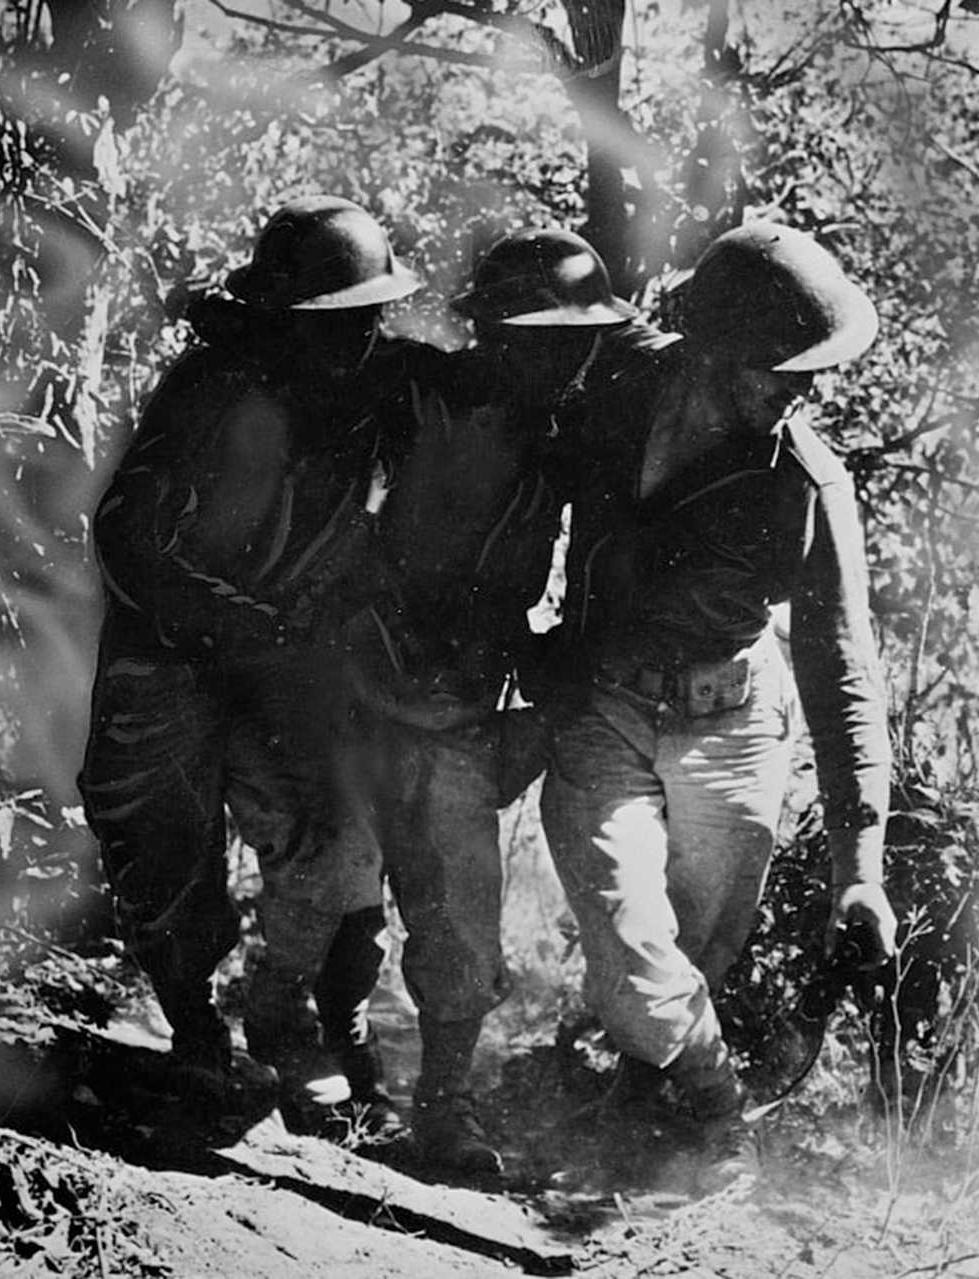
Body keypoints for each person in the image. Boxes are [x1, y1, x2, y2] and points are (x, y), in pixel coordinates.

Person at [538, 221, 899, 1192]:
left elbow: (842, 668)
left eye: (814, 370)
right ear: (709, 347)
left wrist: (856, 869)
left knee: (697, 947)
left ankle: (633, 1117)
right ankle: (716, 1106)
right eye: (782, 366)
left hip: (735, 726)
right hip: (604, 707)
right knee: (635, 945)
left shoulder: (807, 485)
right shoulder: (605, 395)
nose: (804, 389)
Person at [77, 195, 423, 1128]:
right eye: (333, 324)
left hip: (290, 666)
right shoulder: (212, 390)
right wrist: (232, 626)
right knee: (162, 846)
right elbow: (129, 533)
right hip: (174, 658)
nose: (355, 342)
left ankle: (320, 1029)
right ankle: (196, 1031)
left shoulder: (376, 394)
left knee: (342, 845)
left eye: (367, 321)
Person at [335, 227, 636, 1173]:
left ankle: (444, 1105)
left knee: (463, 912)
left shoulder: (560, 447)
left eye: (575, 341)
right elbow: (309, 360)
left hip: (458, 708)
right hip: (349, 689)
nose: (566, 358)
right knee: (332, 892)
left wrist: (544, 664)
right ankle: (324, 1050)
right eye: (543, 338)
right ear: (494, 334)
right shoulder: (409, 386)